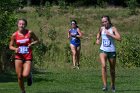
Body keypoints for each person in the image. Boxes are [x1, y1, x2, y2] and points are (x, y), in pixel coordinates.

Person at [9, 18, 39, 93]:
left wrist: (31, 43)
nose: (21, 25)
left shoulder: (30, 33)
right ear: (17, 24)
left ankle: (29, 76)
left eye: (23, 24)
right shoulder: (14, 35)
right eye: (20, 24)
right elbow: (10, 46)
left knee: (25, 75)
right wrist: (15, 49)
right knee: (19, 76)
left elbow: (37, 40)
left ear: (25, 25)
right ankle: (23, 91)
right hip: (18, 56)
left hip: (28, 56)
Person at [96, 16, 121, 92]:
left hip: (112, 51)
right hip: (103, 50)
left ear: (109, 21)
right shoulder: (102, 28)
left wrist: (110, 34)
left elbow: (119, 38)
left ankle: (113, 85)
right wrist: (97, 39)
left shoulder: (113, 29)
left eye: (105, 21)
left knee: (112, 70)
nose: (104, 23)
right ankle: (105, 85)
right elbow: (99, 34)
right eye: (103, 22)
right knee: (103, 66)